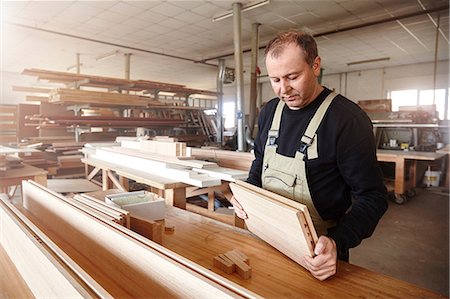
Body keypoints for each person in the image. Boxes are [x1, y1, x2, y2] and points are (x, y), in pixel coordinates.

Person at [230, 31, 388, 281]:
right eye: (275, 80)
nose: (284, 90)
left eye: (293, 77)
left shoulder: (346, 119)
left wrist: (336, 242)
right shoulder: (269, 112)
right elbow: (260, 164)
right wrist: (247, 193)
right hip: (266, 238)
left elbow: (372, 196)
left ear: (315, 65)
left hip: (318, 254)